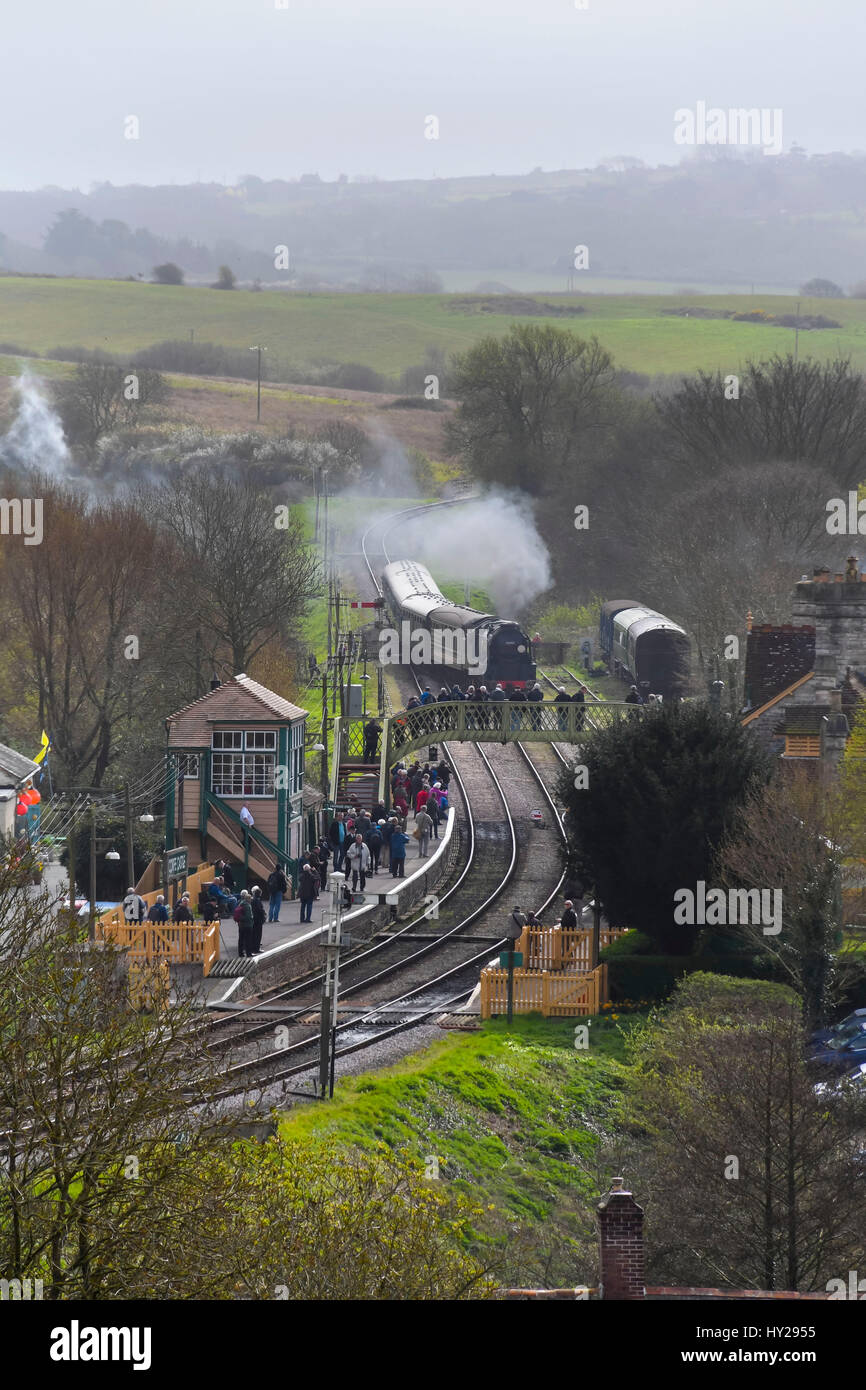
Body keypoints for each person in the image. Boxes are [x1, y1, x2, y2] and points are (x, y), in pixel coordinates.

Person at [235, 890, 254, 957]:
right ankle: (249, 953)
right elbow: (248, 916)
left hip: (241, 925)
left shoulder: (240, 903)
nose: (251, 900)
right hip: (247, 925)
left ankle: (241, 953)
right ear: (248, 899)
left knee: (241, 939)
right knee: (248, 940)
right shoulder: (247, 906)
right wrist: (252, 919)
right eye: (250, 899)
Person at [249, 885, 266, 952]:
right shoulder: (258, 901)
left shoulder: (252, 900)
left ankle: (253, 947)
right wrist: (264, 915)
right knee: (258, 934)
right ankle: (257, 948)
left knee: (254, 934)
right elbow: (260, 910)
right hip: (258, 920)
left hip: (254, 919)